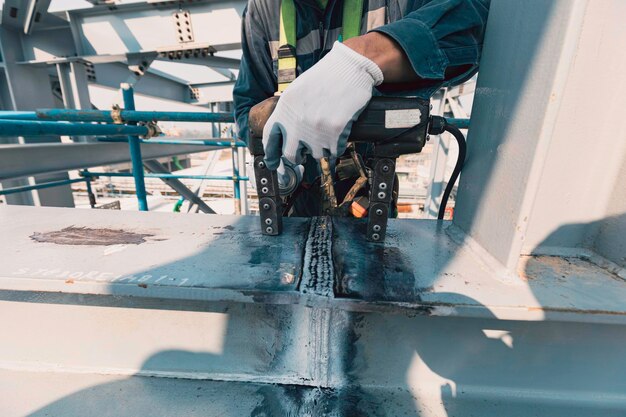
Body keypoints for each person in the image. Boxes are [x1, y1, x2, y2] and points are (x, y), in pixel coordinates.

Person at [234, 0, 490, 216]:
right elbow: (248, 105)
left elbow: (475, 15)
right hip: (294, 198)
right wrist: (268, 147)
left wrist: (370, 54)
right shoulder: (264, 9)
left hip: (368, 195)